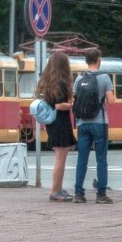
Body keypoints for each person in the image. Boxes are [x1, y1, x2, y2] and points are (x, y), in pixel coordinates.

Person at [73, 48, 116, 204]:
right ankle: (101, 194)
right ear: (98, 60)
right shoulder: (104, 78)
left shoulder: (79, 79)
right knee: (101, 159)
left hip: (82, 124)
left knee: (81, 159)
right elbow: (111, 101)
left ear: (86, 60)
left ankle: (78, 193)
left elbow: (75, 101)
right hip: (99, 123)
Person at [36, 51, 76, 202]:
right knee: (61, 158)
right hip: (60, 121)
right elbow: (59, 105)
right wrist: (72, 104)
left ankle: (58, 188)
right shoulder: (61, 82)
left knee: (59, 157)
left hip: (52, 122)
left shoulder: (46, 81)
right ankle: (55, 191)